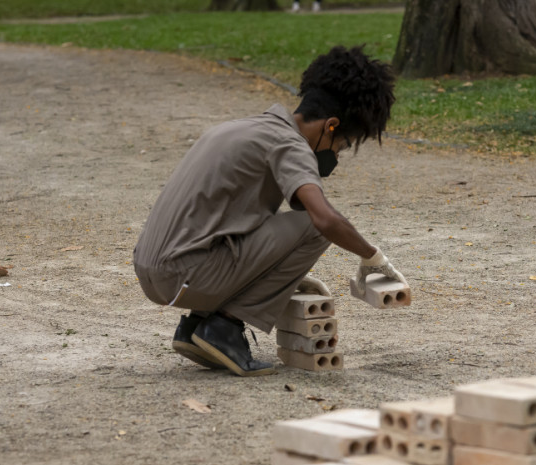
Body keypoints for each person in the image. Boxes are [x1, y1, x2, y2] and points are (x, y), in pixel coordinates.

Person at [133, 45, 406, 377]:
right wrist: (372, 258)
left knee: (278, 221)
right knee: (315, 229)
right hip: (185, 276)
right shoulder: (291, 146)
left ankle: (197, 328)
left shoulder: (248, 128)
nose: (337, 155)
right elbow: (324, 219)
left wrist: (280, 277)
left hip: (155, 272)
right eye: (342, 145)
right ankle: (224, 329)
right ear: (331, 126)